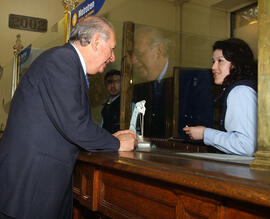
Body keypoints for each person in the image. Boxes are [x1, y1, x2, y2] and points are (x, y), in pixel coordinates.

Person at [0, 16, 136, 219]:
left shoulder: (66, 62)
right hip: (30, 190)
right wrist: (116, 143)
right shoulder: (62, 60)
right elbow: (76, 125)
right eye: (112, 48)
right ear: (97, 41)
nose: (113, 57)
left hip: (41, 187)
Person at [183, 38, 257, 156]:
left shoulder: (240, 92)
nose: (213, 67)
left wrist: (205, 134)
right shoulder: (241, 89)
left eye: (220, 61)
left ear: (236, 64)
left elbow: (246, 146)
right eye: (213, 61)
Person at [101, 69, 121, 133]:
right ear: (105, 84)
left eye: (117, 81)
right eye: (110, 82)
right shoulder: (107, 104)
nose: (113, 85)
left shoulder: (126, 103)